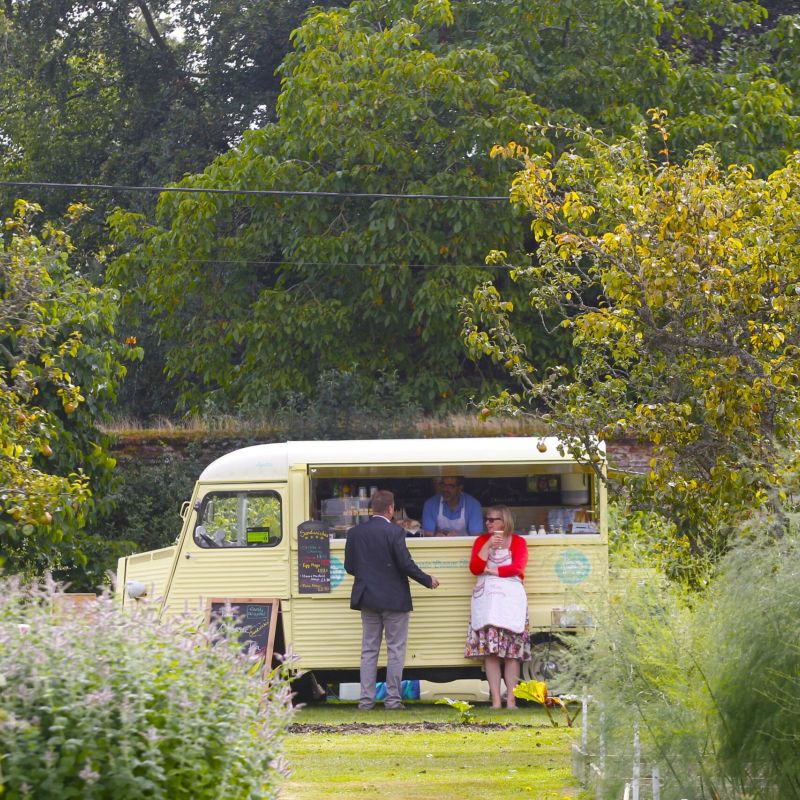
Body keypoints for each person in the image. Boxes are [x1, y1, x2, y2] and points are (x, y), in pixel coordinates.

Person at [344, 489, 440, 710]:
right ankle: (393, 700)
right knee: (395, 650)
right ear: (391, 509)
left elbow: (350, 567)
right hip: (394, 599)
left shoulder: (355, 533)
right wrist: (427, 580)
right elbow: (405, 564)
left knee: (369, 650)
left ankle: (366, 701)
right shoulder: (395, 532)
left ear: (371, 509)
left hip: (367, 598)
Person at [464, 504, 530, 709]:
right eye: (487, 519)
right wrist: (488, 546)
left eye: (493, 520)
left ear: (505, 521)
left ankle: (511, 700)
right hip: (487, 602)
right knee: (490, 654)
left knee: (512, 654)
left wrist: (493, 571)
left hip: (510, 601)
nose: (488, 523)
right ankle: (495, 700)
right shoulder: (481, 541)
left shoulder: (518, 541)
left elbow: (517, 567)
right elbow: (475, 568)